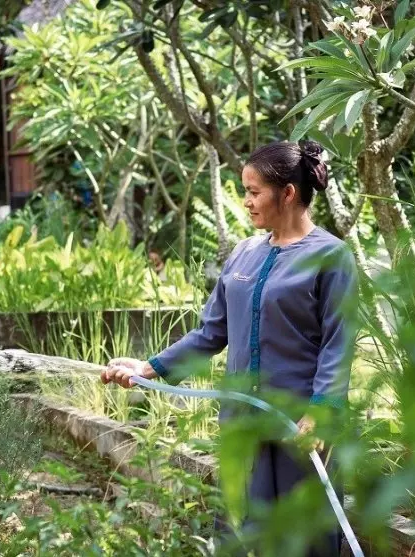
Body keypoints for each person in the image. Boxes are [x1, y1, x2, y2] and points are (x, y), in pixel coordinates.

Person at [101, 140, 359, 556]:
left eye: (254, 192)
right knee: (238, 536)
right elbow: (210, 333)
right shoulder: (244, 253)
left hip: (299, 429)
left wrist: (321, 411)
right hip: (242, 427)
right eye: (245, 191)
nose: (246, 202)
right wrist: (148, 368)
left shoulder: (331, 257)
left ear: (287, 193)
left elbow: (338, 343)